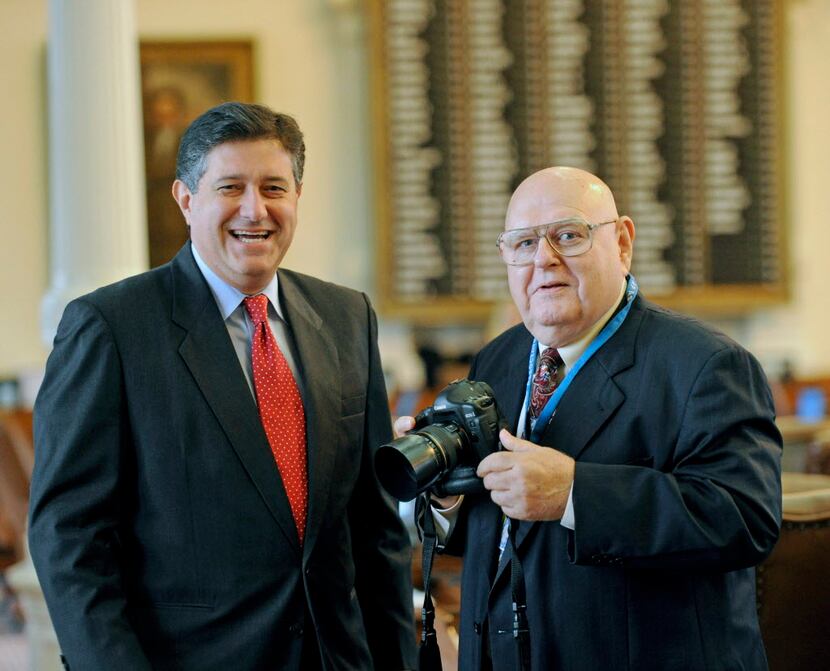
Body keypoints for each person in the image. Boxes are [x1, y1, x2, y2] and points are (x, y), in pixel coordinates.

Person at [29, 102, 416, 670]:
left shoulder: (346, 317)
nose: (254, 209)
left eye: (274, 187)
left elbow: (376, 530)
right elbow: (70, 539)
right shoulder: (112, 327)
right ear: (187, 200)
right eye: (230, 187)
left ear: (298, 198)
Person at [399, 167, 782, 670]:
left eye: (568, 236)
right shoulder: (498, 360)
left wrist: (575, 494)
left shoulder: (704, 364)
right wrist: (447, 499)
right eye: (523, 244)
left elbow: (744, 518)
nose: (544, 260)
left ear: (622, 242)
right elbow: (507, 532)